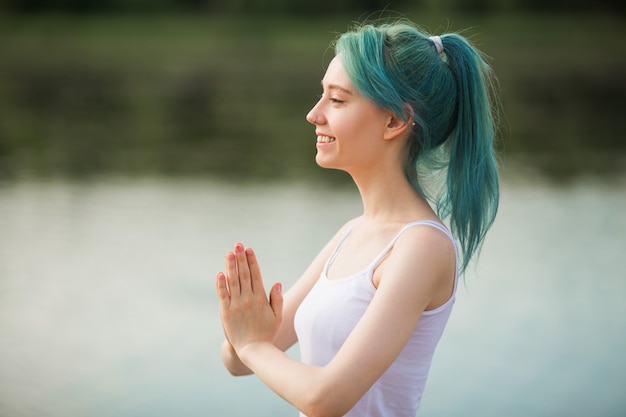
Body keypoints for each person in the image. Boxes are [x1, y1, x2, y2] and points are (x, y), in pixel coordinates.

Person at [215, 19, 500, 417]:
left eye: (337, 100)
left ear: (395, 121)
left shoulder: (422, 247)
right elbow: (240, 362)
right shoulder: (352, 233)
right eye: (322, 96)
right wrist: (241, 330)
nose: (314, 115)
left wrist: (252, 344)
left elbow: (324, 399)